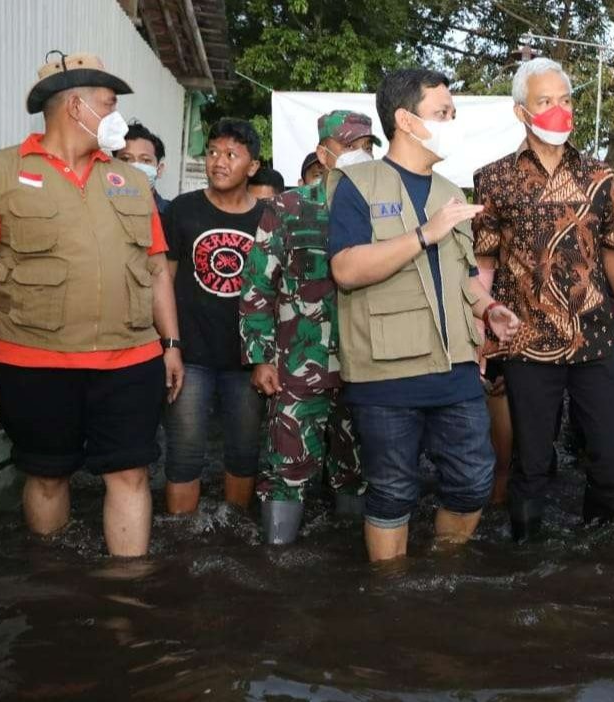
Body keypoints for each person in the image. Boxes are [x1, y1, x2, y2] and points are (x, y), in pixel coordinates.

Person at [0, 51, 184, 557]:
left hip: (129, 360)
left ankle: (127, 600)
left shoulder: (133, 181)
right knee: (48, 478)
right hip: (32, 361)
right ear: (76, 106)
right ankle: (53, 594)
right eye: (109, 102)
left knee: (132, 474)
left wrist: (171, 344)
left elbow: (157, 269)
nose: (117, 114)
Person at [328, 69, 520, 562]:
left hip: (455, 366)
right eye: (443, 113)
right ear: (405, 120)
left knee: (475, 479)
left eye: (452, 113)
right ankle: (390, 598)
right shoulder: (356, 184)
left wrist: (489, 308)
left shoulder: (449, 191)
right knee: (393, 491)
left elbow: (459, 276)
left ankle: (440, 569)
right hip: (386, 369)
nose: (452, 122)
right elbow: (346, 268)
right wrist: (422, 235)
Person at [473, 58, 614, 541]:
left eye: (565, 100)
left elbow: (613, 249)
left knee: (611, 460)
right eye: (546, 101)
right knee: (533, 462)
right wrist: (483, 323)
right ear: (521, 111)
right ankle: (526, 559)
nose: (559, 111)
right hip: (525, 339)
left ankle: (595, 550)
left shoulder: (598, 175)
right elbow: (484, 261)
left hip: (595, 336)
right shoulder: (493, 179)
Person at [239, 110, 376, 545]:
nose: (361, 154)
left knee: (357, 469)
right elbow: (258, 283)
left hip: (365, 365)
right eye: (351, 146)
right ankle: (278, 563)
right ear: (324, 152)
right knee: (287, 465)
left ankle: (351, 564)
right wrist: (259, 357)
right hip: (300, 363)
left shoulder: (384, 208)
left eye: (367, 146)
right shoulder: (288, 207)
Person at [162, 118, 267, 514]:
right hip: (191, 358)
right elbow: (164, 283)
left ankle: (233, 537)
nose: (219, 162)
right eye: (212, 152)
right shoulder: (182, 211)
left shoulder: (267, 220)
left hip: (246, 361)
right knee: (184, 456)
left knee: (243, 454)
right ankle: (181, 538)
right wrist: (169, 345)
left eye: (231, 155)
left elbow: (274, 294)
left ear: (252, 166)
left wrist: (266, 358)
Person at [115, 120, 171, 214]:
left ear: (159, 170)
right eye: (126, 159)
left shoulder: (173, 214)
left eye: (145, 160)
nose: (135, 167)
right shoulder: (101, 210)